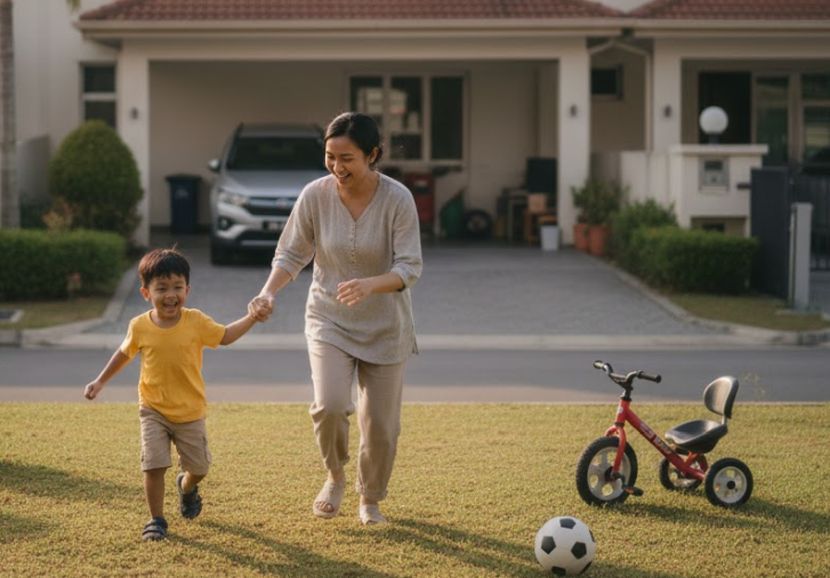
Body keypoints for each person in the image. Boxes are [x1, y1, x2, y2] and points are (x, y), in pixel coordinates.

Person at [249, 111, 422, 525]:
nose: (337, 167)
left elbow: (409, 267)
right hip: (329, 318)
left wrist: (370, 284)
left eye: (348, 158)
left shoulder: (398, 199)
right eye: (330, 157)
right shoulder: (315, 195)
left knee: (380, 426)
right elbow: (292, 253)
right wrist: (267, 291)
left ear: (373, 154)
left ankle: (371, 499)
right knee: (329, 406)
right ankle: (335, 475)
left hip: (386, 325)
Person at [84, 247, 259, 541]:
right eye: (161, 288)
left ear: (187, 290)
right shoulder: (139, 326)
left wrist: (252, 317)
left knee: (199, 468)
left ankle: (186, 486)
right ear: (145, 292)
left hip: (190, 412)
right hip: (152, 409)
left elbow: (226, 336)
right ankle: (156, 519)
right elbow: (124, 353)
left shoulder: (196, 321)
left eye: (177, 287)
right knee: (154, 464)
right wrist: (100, 381)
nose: (170, 294)